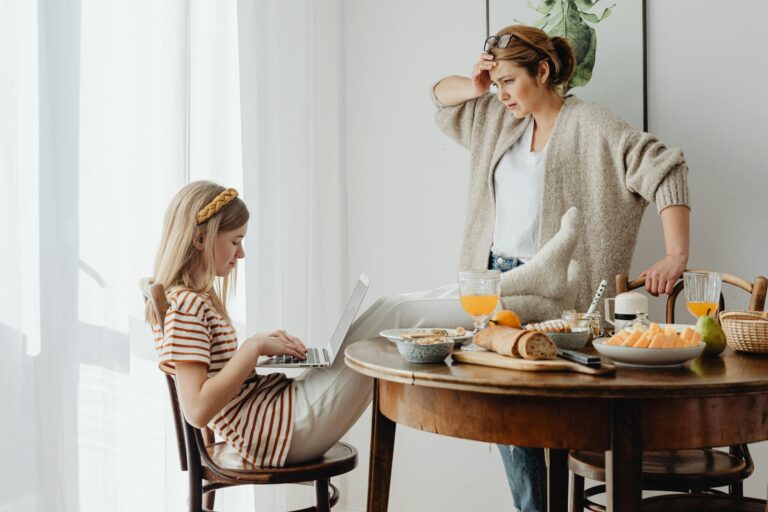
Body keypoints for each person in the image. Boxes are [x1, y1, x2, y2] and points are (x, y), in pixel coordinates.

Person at [431, 24, 690, 511]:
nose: (502, 92)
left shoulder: (593, 125)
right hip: (496, 288)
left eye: (511, 80)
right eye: (499, 81)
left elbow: (665, 168)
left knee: (543, 426)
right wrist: (480, 83)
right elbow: (439, 97)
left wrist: (677, 255)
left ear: (543, 71)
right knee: (512, 422)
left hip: (561, 301)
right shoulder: (495, 116)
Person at [146, 181, 379, 466]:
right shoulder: (187, 307)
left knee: (383, 320)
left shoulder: (195, 300)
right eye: (235, 241)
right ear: (200, 239)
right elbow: (196, 410)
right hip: (279, 433)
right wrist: (253, 347)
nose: (241, 253)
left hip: (276, 417)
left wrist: (261, 345)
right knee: (386, 323)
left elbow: (218, 380)